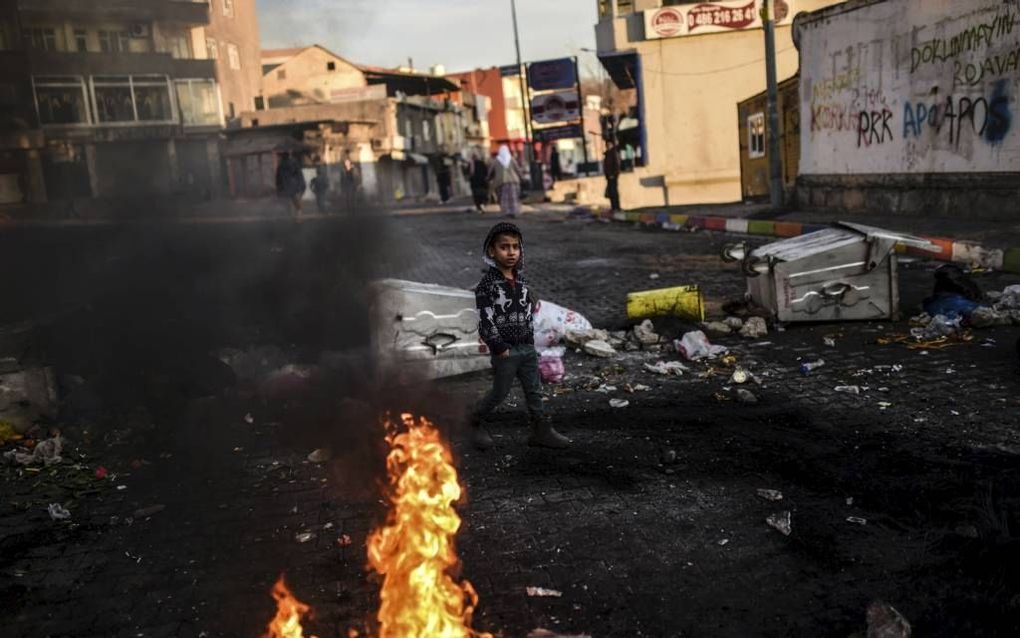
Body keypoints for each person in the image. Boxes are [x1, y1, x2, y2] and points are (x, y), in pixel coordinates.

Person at [469, 222, 570, 451]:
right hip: (505, 350)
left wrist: (530, 340)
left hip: (526, 348)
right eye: (504, 247)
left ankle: (541, 431)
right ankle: (473, 419)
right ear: (492, 251)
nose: (511, 252)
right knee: (500, 392)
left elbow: (529, 313)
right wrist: (498, 346)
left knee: (534, 390)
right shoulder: (488, 285)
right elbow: (485, 320)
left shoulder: (522, 282)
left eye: (515, 247)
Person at [488, 145, 523, 218]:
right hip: (513, 181)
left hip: (501, 182)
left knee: (503, 198)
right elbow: (517, 169)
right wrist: (521, 177)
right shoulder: (511, 159)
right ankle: (514, 211)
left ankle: (506, 212)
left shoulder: (496, 160)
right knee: (514, 197)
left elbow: (491, 171)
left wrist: (488, 178)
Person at [276, 152, 306, 219]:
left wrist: (278, 188)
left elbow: (278, 179)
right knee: (296, 203)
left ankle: (291, 215)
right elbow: (299, 175)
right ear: (289, 156)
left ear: (282, 157)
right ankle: (298, 215)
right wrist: (301, 185)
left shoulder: (280, 166)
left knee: (287, 202)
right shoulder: (294, 163)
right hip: (294, 186)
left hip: (285, 187)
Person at [603, 142, 621, 212]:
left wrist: (614, 174)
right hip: (608, 176)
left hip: (613, 176)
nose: (607, 147)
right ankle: (613, 207)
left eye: (609, 145)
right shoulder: (607, 154)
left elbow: (617, 165)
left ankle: (617, 207)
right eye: (607, 146)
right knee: (610, 192)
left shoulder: (613, 153)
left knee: (614, 192)